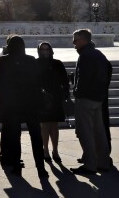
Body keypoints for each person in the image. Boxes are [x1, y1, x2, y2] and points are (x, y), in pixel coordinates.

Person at [0, 36, 47, 178]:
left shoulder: (2, 60)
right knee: (36, 136)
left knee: (15, 136)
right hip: (31, 103)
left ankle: (16, 165)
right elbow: (38, 80)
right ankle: (40, 168)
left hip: (12, 104)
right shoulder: (30, 60)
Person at [71, 29, 113, 175]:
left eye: (76, 40)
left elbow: (84, 78)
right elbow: (109, 71)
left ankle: (90, 164)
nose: (74, 43)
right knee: (99, 132)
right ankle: (103, 162)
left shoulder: (85, 56)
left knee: (85, 132)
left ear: (83, 40)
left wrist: (77, 92)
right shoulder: (98, 54)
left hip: (86, 98)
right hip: (98, 98)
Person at [37, 41, 70, 164]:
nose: (45, 51)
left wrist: (66, 94)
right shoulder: (36, 63)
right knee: (45, 125)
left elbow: (65, 80)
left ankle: (55, 150)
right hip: (42, 98)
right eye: (42, 49)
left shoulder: (57, 63)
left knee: (54, 125)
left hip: (56, 97)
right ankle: (45, 150)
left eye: (47, 49)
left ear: (51, 51)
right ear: (39, 51)